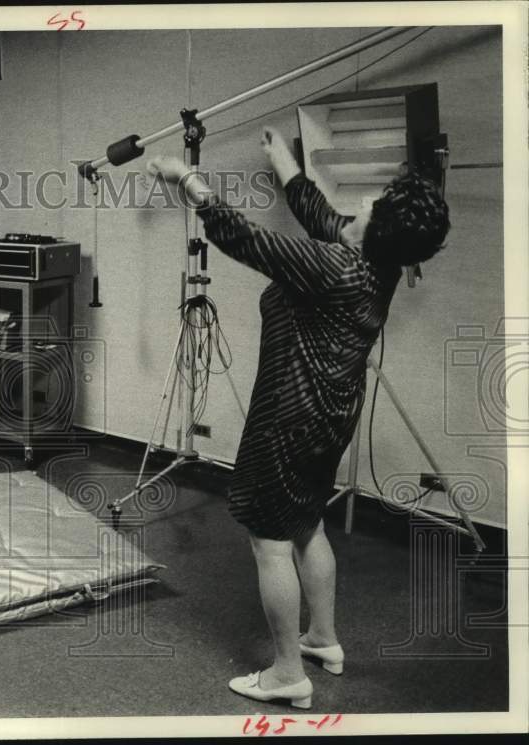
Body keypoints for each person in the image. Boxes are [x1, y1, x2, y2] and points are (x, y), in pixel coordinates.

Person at [148, 125, 450, 708]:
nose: (366, 201)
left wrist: (185, 178)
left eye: (376, 200)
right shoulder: (378, 261)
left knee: (269, 542)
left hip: (288, 417)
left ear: (376, 224)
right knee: (308, 522)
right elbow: (321, 214)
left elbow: (242, 237)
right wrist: (284, 160)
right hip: (331, 417)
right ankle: (323, 639)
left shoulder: (334, 267)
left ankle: (287, 673)